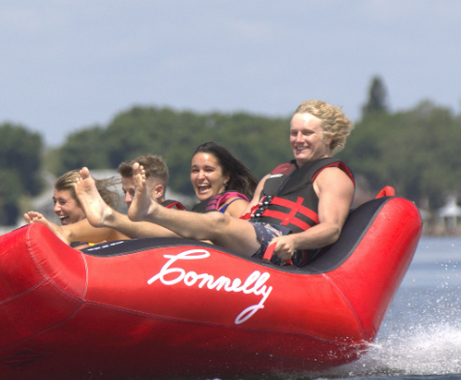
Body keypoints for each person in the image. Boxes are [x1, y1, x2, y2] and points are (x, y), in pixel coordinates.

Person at [76, 100, 355, 266]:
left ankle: (150, 209)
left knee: (217, 221)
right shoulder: (275, 176)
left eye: (308, 133)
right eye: (294, 132)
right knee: (177, 236)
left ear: (328, 137)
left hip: (281, 249)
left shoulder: (332, 175)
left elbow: (331, 229)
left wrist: (294, 240)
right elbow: (249, 218)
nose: (298, 139)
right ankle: (109, 216)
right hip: (252, 240)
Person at [23, 169, 128, 247]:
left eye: (62, 202)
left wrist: (62, 234)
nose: (55, 209)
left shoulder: (111, 231)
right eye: (55, 202)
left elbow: (106, 228)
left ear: (84, 203)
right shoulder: (77, 244)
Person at [189, 142, 257, 220]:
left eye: (208, 170)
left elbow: (253, 231)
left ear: (226, 177)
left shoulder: (236, 205)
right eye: (195, 170)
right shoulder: (194, 212)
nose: (200, 177)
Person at [118, 155, 188, 211]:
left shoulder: (177, 226)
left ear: (158, 191)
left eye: (134, 192)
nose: (126, 199)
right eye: (125, 192)